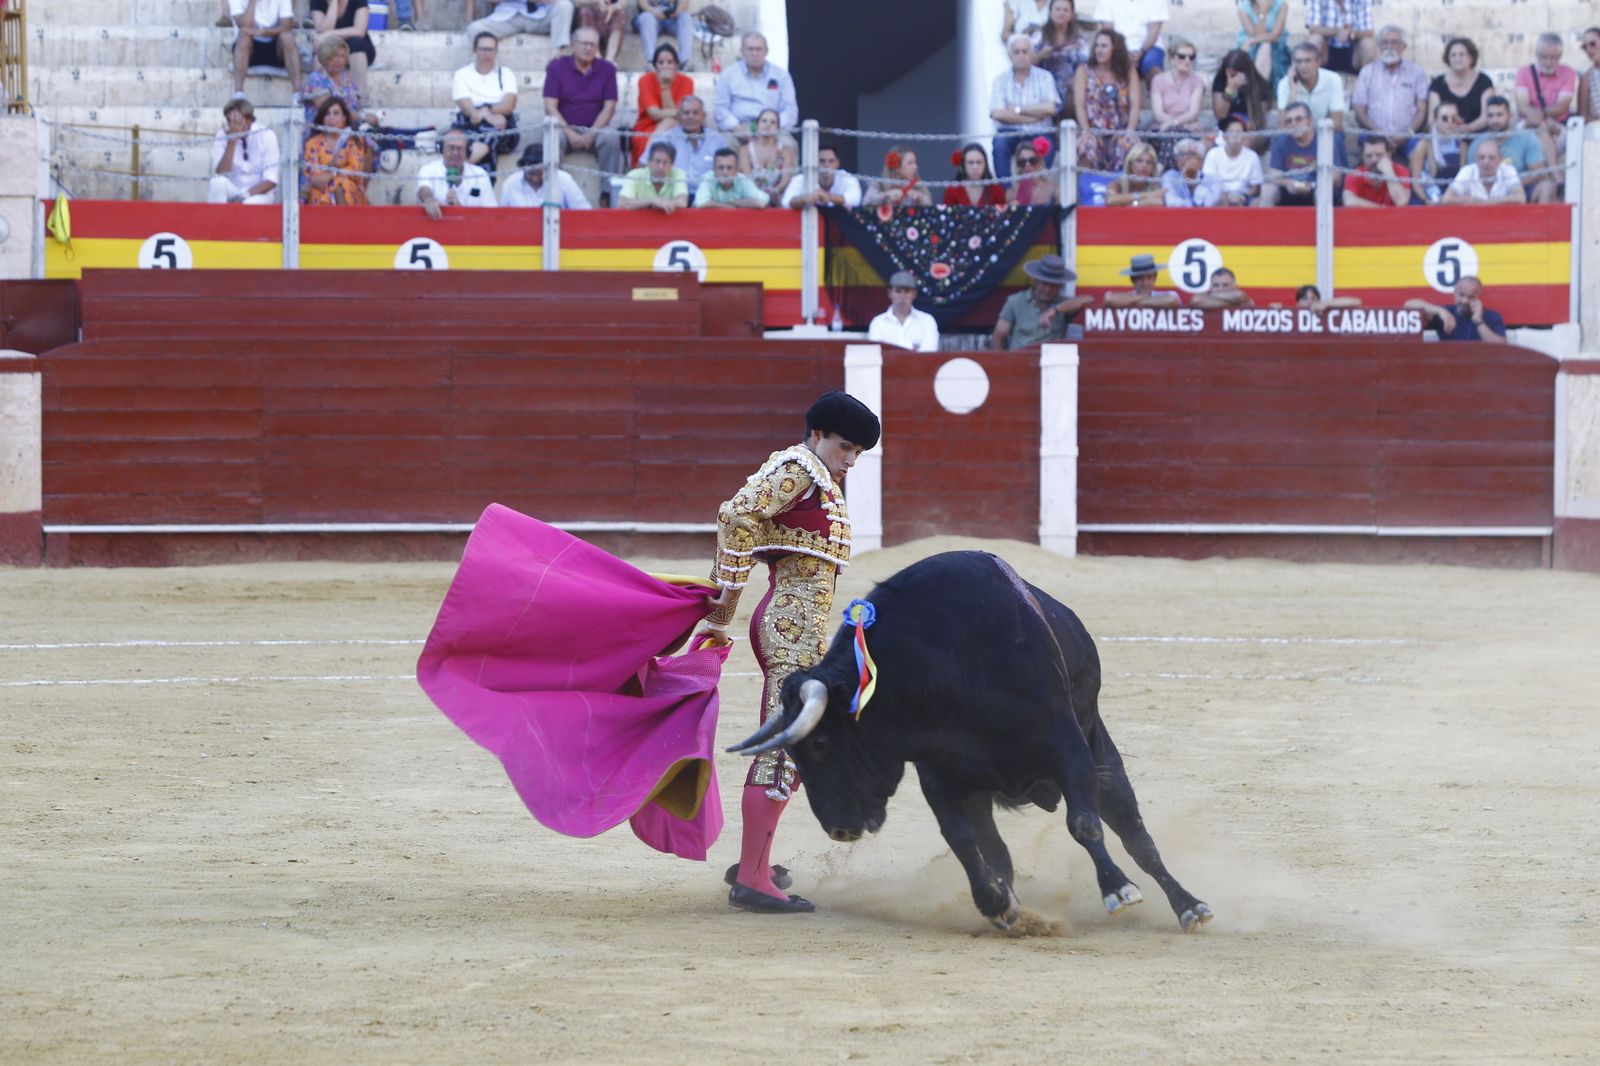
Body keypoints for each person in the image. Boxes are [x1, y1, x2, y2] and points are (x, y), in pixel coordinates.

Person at [701, 392, 881, 915]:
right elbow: (738, 517)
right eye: (844, 447)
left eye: (858, 454)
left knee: (798, 744)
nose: (850, 460)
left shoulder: (815, 476)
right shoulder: (797, 468)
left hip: (799, 629)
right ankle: (754, 878)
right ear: (818, 434)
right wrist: (722, 606)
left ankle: (753, 862)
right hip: (786, 628)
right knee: (782, 750)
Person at [543, 26, 625, 182]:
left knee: (611, 138)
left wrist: (591, 134)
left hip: (596, 129)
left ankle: (608, 196)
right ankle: (555, 193)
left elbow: (610, 107)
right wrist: (570, 133)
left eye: (593, 45)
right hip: (565, 128)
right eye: (584, 43)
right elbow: (550, 106)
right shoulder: (556, 67)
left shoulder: (607, 69)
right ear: (573, 44)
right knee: (553, 138)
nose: (589, 48)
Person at [993, 32, 1062, 180]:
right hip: (1009, 132)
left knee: (1047, 144)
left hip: (1040, 131)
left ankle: (1039, 193)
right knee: (999, 145)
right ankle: (1006, 195)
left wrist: (1017, 110)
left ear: (1031, 54)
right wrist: (1034, 116)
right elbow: (998, 113)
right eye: (1016, 52)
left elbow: (1050, 108)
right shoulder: (1000, 80)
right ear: (1010, 55)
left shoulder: (1045, 77)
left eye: (1025, 51)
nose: (1021, 55)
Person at [1072, 29, 1138, 176]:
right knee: (1085, 147)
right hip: (1093, 129)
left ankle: (1122, 194)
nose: (1099, 50)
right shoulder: (1084, 71)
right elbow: (1080, 105)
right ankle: (1086, 193)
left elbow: (1135, 105)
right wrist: (1086, 130)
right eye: (1097, 46)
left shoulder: (1129, 72)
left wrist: (1129, 130)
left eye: (1104, 46)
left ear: (1115, 49)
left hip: (1120, 130)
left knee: (1131, 147)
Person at [990, 255, 1092, 349]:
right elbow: (997, 337)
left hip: (1052, 364)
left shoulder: (1063, 304)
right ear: (1036, 282)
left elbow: (1088, 299)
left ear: (1059, 286)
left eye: (1053, 285)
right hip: (1020, 363)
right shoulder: (1015, 301)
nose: (1047, 289)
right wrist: (1003, 364)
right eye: (1044, 283)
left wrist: (1054, 310)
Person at [1352, 26, 1428, 152]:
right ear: (1379, 47)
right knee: (1372, 147)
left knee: (1420, 146)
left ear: (1404, 47)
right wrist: (1378, 133)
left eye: (1394, 42)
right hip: (1374, 134)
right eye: (1385, 43)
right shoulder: (1367, 72)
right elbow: (1359, 110)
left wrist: (1407, 133)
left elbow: (1421, 109)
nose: (1389, 47)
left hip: (1407, 135)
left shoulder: (1416, 72)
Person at [452, 33, 520, 172]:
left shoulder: (506, 74)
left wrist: (486, 111)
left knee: (489, 133)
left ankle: (459, 169)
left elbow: (509, 105)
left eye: (491, 49)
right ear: (474, 50)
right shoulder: (462, 74)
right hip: (470, 124)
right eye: (483, 49)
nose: (487, 54)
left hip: (503, 129)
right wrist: (489, 116)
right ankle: (484, 183)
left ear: (496, 51)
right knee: (487, 134)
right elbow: (469, 110)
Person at [1470, 96, 1558, 203]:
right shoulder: (1477, 144)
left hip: (1523, 187)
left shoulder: (1527, 138)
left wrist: (1511, 185)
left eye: (1499, 115)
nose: (1495, 120)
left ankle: (1542, 220)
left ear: (1510, 116)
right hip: (1486, 192)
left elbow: (1539, 173)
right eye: (1491, 116)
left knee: (1546, 187)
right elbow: (1472, 176)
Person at [714, 33, 800, 136]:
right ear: (742, 51)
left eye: (758, 49)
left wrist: (774, 126)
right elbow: (721, 109)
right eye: (750, 49)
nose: (754, 53)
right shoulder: (728, 75)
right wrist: (737, 128)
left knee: (789, 147)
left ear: (766, 51)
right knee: (724, 148)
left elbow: (790, 110)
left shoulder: (781, 76)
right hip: (739, 128)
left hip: (774, 127)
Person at [1261, 101, 1344, 207]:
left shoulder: (1324, 140)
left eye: (1298, 119)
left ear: (1309, 121)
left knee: (1322, 191)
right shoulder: (1281, 140)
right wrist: (1288, 183)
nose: (1293, 124)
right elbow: (1273, 174)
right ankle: (1267, 224)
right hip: (1289, 189)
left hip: (1315, 189)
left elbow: (1336, 175)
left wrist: (1313, 185)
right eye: (1289, 121)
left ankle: (1323, 224)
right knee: (1267, 189)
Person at [1515, 33, 1578, 165]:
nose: (1548, 62)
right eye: (1543, 57)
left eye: (1553, 58)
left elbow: (1563, 106)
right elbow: (1522, 106)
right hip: (1529, 122)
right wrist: (1542, 120)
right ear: (1536, 54)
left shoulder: (1568, 73)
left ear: (1560, 56)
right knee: (1540, 127)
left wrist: (1543, 115)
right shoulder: (1524, 72)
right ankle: (1554, 173)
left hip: (1558, 124)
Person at [632, 43, 694, 167]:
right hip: (648, 127)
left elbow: (680, 117)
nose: (665, 66)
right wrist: (677, 112)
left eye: (670, 62)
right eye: (661, 63)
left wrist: (665, 87)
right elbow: (654, 114)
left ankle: (645, 161)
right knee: (668, 123)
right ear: (655, 67)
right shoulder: (645, 80)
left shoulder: (687, 82)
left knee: (671, 124)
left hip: (677, 127)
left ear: (677, 65)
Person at [208, 97, 280, 204]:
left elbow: (271, 180)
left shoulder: (266, 135)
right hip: (234, 189)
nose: (233, 124)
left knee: (247, 204)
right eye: (230, 120)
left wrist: (245, 196)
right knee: (216, 183)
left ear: (249, 120)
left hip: (260, 194)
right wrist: (231, 142)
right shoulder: (222, 135)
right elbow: (221, 174)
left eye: (238, 120)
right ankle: (217, 220)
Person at [301, 96, 370, 205]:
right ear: (322, 119)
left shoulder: (354, 140)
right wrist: (334, 171)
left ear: (344, 118)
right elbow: (314, 177)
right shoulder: (312, 143)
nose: (331, 118)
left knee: (342, 185)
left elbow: (355, 170)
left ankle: (344, 221)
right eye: (327, 114)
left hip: (349, 187)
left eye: (336, 113)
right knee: (318, 191)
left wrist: (332, 173)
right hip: (320, 188)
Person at [648, 97, 728, 190]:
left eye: (695, 113)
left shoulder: (717, 141)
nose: (691, 116)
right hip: (673, 197)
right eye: (686, 113)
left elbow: (729, 172)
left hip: (707, 197)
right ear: (679, 117)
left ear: (704, 116)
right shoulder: (665, 139)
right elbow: (645, 166)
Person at [1148, 38, 1206, 165]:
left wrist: (1174, 124)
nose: (1187, 60)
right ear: (1172, 58)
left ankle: (1163, 168)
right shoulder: (1158, 80)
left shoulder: (1197, 82)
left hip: (1188, 129)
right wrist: (1178, 125)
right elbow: (1158, 113)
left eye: (1191, 57)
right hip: (1161, 128)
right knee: (1171, 136)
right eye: (1182, 56)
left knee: (1174, 135)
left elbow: (1193, 112)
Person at [1032, 0, 1092, 119]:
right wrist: (1040, 56)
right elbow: (1024, 63)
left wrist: (1078, 79)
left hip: (1071, 88)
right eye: (1058, 9)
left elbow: (1088, 65)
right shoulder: (1039, 35)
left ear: (1071, 14)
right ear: (1050, 12)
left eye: (1065, 10)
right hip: (1042, 87)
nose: (1061, 13)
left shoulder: (1080, 38)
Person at [418, 128, 497, 218]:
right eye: (451, 148)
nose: (455, 153)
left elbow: (491, 213)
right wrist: (429, 199)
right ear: (441, 149)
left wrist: (459, 209)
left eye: (459, 149)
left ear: (467, 151)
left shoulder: (480, 175)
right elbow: (424, 188)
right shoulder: (429, 169)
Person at [228, 0, 300, 98]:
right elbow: (244, 26)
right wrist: (252, 2)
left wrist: (261, 32)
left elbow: (287, 26)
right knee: (244, 38)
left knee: (288, 37)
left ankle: (297, 94)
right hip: (249, 50)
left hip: (275, 47)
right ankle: (239, 93)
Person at [1404, 276, 1507, 343]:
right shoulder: (1445, 313)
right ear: (1455, 293)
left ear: (1478, 297)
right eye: (1461, 295)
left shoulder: (1492, 316)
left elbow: (1502, 347)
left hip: (1481, 370)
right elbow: (1408, 306)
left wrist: (1478, 321)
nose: (1464, 301)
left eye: (1470, 297)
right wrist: (1441, 311)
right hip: (1450, 370)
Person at [1429, 37, 1494, 136]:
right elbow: (1432, 119)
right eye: (1453, 55)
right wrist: (1448, 130)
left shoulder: (1484, 81)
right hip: (1446, 138)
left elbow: (1487, 116)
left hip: (1477, 137)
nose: (1457, 58)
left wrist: (1468, 128)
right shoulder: (1438, 83)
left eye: (1462, 54)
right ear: (1448, 59)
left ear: (1471, 58)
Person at [1092, 0, 1168, 82]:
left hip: (1149, 47)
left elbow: (1154, 30)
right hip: (1117, 46)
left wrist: (1141, 52)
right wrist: (1123, 53)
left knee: (1155, 72)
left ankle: (1157, 93)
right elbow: (1108, 33)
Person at [309, 0, 374, 96]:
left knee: (357, 46)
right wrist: (333, 4)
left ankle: (359, 98)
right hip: (332, 46)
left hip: (357, 46)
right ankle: (323, 98)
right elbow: (322, 30)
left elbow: (360, 31)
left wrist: (330, 34)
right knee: (321, 51)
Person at [499, 142, 593, 208]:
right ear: (523, 166)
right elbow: (502, 218)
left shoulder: (563, 179)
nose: (535, 177)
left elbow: (583, 209)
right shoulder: (511, 183)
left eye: (539, 172)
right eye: (531, 171)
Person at [1277, 42, 1346, 130]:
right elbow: (1282, 126)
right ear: (1293, 64)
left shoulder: (1333, 79)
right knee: (1280, 141)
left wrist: (1311, 138)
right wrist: (1293, 90)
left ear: (1318, 62)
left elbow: (1337, 121)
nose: (1303, 66)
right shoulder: (1285, 84)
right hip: (1296, 133)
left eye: (1308, 61)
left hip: (1325, 131)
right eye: (1298, 61)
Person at [739, 108, 799, 208]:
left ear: (778, 129)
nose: (768, 125)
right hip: (752, 200)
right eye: (764, 121)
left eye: (772, 122)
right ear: (757, 125)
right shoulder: (744, 150)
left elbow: (786, 179)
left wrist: (775, 191)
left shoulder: (786, 151)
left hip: (777, 199)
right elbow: (747, 177)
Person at [465, 0, 574, 54]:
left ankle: (556, 63)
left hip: (540, 16)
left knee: (564, 6)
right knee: (474, 29)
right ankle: (490, 74)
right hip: (507, 17)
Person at [1407, 102, 1465, 204]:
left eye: (1454, 119)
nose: (1450, 122)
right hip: (1426, 198)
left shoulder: (1461, 144)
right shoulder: (1423, 145)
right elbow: (1415, 182)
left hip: (1451, 198)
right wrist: (1427, 201)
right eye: (1444, 118)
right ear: (1434, 121)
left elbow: (1463, 178)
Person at [868, 271, 941, 352]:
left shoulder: (927, 321)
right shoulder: (878, 322)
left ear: (914, 294)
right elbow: (876, 354)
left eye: (906, 291)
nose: (902, 296)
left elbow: (928, 354)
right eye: (898, 291)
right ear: (890, 293)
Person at [303, 37, 366, 129]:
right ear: (326, 57)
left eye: (343, 56)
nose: (339, 60)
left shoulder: (348, 79)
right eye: (335, 56)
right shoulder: (316, 79)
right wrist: (364, 117)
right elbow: (330, 111)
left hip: (351, 131)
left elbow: (358, 106)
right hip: (323, 134)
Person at [1212, 48, 1272, 145]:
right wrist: (1230, 88)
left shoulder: (1259, 84)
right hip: (1226, 129)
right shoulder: (1221, 80)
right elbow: (1220, 114)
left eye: (1234, 74)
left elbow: (1259, 120)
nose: (1229, 77)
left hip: (1250, 131)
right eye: (1227, 72)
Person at [1201, 115, 1263, 206]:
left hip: (1244, 197)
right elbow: (1209, 182)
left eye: (1238, 132)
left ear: (1244, 136)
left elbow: (1255, 187)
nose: (1235, 135)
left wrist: (1243, 196)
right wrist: (1227, 196)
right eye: (1231, 132)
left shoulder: (1252, 156)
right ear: (1224, 136)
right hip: (1219, 196)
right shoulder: (1213, 154)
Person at [1442, 139, 1525, 205]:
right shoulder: (1467, 171)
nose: (1486, 162)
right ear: (1475, 159)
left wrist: (1481, 203)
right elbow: (1447, 198)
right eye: (1482, 157)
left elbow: (1521, 198)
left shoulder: (1508, 170)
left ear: (1500, 159)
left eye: (1491, 158)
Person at [781, 142, 861, 208]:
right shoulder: (801, 179)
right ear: (815, 162)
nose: (826, 165)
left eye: (831, 161)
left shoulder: (846, 178)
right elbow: (785, 202)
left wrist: (828, 197)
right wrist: (806, 199)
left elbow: (855, 199)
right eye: (822, 161)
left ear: (837, 163)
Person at [1305, 0, 1373, 74]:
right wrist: (1337, 32)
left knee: (1368, 44)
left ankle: (1369, 82)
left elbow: (1369, 31)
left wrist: (1351, 34)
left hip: (1353, 52)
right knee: (1315, 40)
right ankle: (1308, 82)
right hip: (1326, 50)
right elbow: (1312, 27)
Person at [619, 141, 690, 213]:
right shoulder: (634, 175)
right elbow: (622, 203)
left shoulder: (678, 174)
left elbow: (682, 202)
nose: (660, 167)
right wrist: (652, 200)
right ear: (649, 162)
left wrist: (665, 203)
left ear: (672, 164)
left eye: (665, 162)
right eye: (657, 161)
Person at [1343, 135, 1409, 207]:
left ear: (1389, 155)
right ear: (1362, 157)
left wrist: (1389, 172)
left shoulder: (1401, 171)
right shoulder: (1355, 174)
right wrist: (1380, 208)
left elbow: (1401, 202)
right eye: (1368, 156)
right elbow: (1349, 201)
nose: (1374, 160)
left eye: (1379, 155)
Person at [1236, 0, 1289, 84]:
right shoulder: (1243, 8)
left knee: (1265, 45)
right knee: (1265, 45)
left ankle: (1259, 87)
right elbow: (1254, 34)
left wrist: (1251, 41)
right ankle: (1259, 86)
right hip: (1251, 49)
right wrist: (1262, 13)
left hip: (1275, 46)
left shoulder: (1281, 5)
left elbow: (1275, 35)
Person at [695, 147, 767, 208]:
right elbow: (700, 202)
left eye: (729, 168)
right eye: (720, 168)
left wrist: (733, 202)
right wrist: (728, 206)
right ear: (713, 169)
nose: (725, 172)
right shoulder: (708, 178)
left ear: (737, 170)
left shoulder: (742, 179)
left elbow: (762, 201)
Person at [863, 147, 933, 208]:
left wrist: (920, 198)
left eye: (915, 162)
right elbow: (866, 203)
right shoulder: (880, 183)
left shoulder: (918, 185)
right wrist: (886, 195)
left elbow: (930, 205)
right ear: (897, 167)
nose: (915, 167)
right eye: (910, 163)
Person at [1103, 253, 1181, 308]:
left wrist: (1133, 301)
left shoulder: (1127, 299)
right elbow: (1109, 299)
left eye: (1149, 277)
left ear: (1154, 278)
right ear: (1133, 280)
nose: (1145, 283)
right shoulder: (1128, 296)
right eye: (1140, 278)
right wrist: (1146, 297)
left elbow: (1172, 300)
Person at [635, 0, 694, 71]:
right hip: (652, 17)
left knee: (686, 18)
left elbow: (685, 3)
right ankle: (651, 62)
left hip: (672, 19)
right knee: (646, 17)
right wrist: (654, 11)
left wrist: (675, 12)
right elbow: (642, 3)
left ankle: (684, 62)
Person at [1160, 138, 1219, 207]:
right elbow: (1172, 203)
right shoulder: (1169, 176)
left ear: (1201, 158)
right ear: (1176, 159)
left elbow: (1208, 203)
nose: (1185, 158)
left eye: (1191, 154)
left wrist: (1193, 183)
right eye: (1181, 154)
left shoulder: (1213, 179)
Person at [1105, 142, 1165, 206]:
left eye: (1149, 162)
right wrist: (1147, 195)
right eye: (1139, 161)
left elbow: (1158, 202)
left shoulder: (1155, 185)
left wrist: (1128, 203)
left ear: (1153, 167)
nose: (1144, 166)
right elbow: (1110, 200)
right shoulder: (1118, 182)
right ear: (1130, 164)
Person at [1007, 140, 1058, 205]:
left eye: (1032, 160)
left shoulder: (1054, 190)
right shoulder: (1011, 193)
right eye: (1022, 162)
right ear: (1018, 166)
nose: (1027, 165)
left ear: (1040, 162)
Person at [1190, 267, 1254, 309]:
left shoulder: (1242, 297)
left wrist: (1211, 296)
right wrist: (1231, 303)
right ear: (1210, 286)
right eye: (1216, 285)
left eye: (1225, 285)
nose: (1220, 289)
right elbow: (1196, 300)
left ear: (1234, 286)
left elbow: (1238, 296)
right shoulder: (1236, 300)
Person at [1580, 27, 1600, 123]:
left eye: (1592, 44)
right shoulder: (1586, 78)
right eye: (1585, 47)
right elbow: (1582, 116)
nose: (1588, 50)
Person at [1294, 284, 1361, 311]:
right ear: (1297, 303)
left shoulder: (1325, 313)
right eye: (1305, 299)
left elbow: (1357, 302)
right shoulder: (1291, 318)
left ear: (1319, 301)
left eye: (1313, 299)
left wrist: (1328, 303)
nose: (1309, 302)